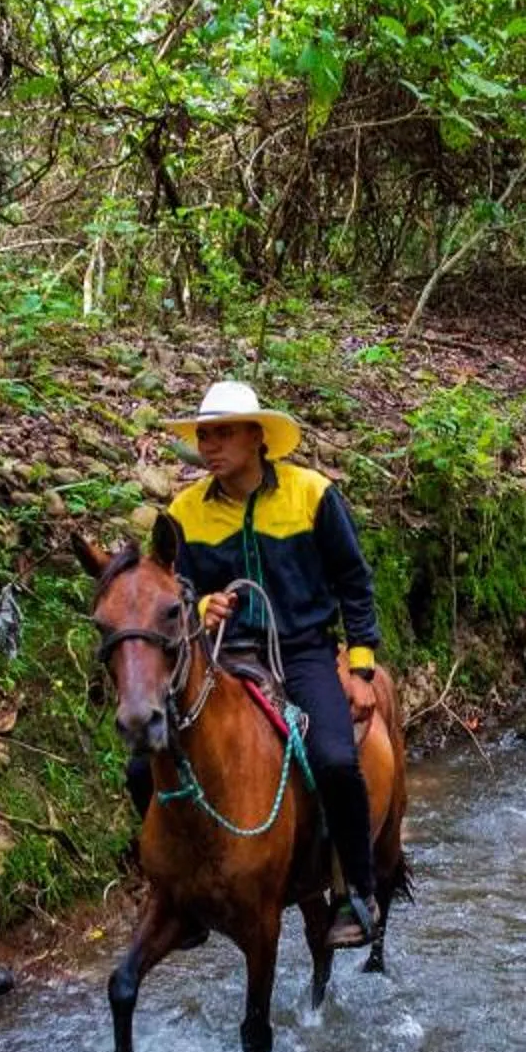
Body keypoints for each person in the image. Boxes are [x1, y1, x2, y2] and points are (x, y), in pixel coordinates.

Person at [154, 380, 385, 947]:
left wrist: (359, 668)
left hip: (303, 650)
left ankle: (357, 891)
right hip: (223, 655)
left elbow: (354, 583)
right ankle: (173, 891)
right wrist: (204, 605)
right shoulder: (183, 513)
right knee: (146, 762)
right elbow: (170, 594)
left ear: (258, 437)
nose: (210, 446)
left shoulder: (312, 495)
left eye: (224, 433)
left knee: (333, 758)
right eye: (204, 435)